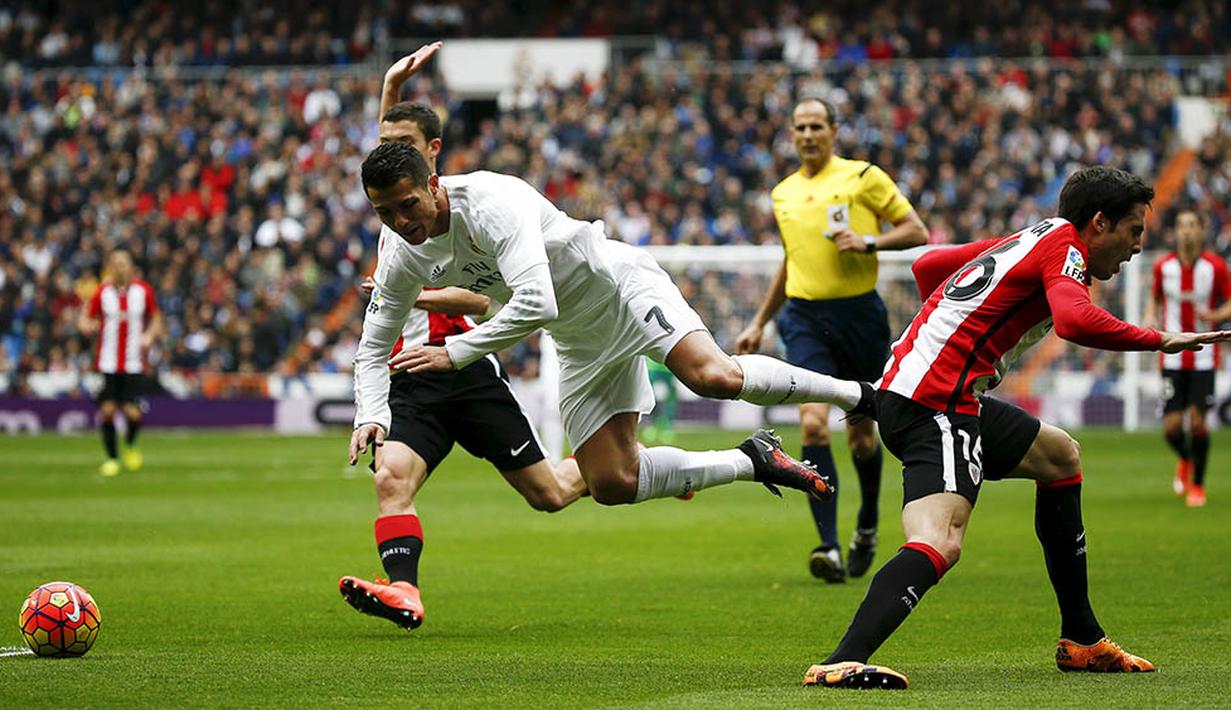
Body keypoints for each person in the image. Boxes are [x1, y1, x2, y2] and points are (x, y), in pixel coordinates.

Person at [348, 139, 887, 620]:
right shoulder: (401, 253)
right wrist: (371, 414)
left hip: (619, 288)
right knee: (611, 483)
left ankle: (861, 395)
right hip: (578, 339)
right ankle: (753, 460)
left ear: (434, 185)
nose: (399, 221)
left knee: (711, 375)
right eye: (384, 212)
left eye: (407, 204)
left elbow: (536, 300)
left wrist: (456, 352)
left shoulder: (492, 202)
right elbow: (372, 348)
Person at [803, 167, 1231, 689]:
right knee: (941, 539)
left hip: (930, 389)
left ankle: (1082, 639)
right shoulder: (1063, 247)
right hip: (937, 401)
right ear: (1098, 223)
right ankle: (841, 660)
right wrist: (1157, 339)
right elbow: (1074, 321)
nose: (1138, 246)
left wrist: (938, 342)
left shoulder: (1035, 235)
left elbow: (931, 265)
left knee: (1059, 457)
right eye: (1134, 231)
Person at [338, 43, 587, 631]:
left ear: (432, 162)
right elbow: (389, 147)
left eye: (403, 145)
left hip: (466, 364)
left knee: (549, 493)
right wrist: (390, 88)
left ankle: (631, 465)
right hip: (411, 374)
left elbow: (487, 298)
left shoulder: (471, 212)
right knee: (391, 477)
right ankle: (404, 590)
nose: (397, 215)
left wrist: (410, 298)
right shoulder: (396, 204)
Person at [737, 97, 928, 583]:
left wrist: (868, 243)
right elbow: (791, 260)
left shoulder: (864, 177)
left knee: (863, 434)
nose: (807, 134)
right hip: (803, 318)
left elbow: (915, 230)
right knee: (814, 427)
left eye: (816, 125)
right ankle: (828, 545)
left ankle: (866, 523)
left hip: (860, 316)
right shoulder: (782, 193)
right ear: (791, 133)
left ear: (833, 130)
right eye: (799, 126)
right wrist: (760, 321)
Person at [1144, 209, 1229, 507]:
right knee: (1171, 427)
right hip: (1172, 357)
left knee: (1197, 423)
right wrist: (1149, 316)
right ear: (1176, 231)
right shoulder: (1163, 267)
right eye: (1182, 225)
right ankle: (1185, 459)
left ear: (1202, 231)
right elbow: (1154, 299)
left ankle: (1198, 486)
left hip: (1205, 357)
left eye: (1193, 225)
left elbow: (1229, 302)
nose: (1187, 232)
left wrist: (1215, 315)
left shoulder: (1215, 267)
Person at [78, 250, 162, 477]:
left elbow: (156, 317)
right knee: (107, 411)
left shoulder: (143, 291)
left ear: (131, 267)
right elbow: (85, 318)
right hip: (107, 362)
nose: (120, 267)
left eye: (124, 263)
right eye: (116, 263)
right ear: (110, 267)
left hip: (134, 362)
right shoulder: (102, 293)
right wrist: (87, 326)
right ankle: (112, 458)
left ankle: (132, 445)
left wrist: (150, 336)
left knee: (133, 413)